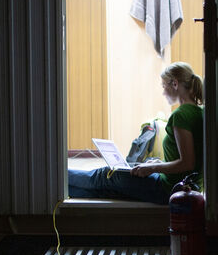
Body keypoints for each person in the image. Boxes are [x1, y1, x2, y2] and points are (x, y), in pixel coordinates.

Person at [68, 61, 203, 203]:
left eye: (164, 86)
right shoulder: (197, 112)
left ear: (175, 84)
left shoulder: (181, 115)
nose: (163, 92)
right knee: (108, 190)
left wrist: (153, 168)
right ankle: (58, 190)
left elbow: (187, 163)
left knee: (107, 174)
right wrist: (158, 163)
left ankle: (56, 177)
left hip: (169, 188)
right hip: (181, 186)